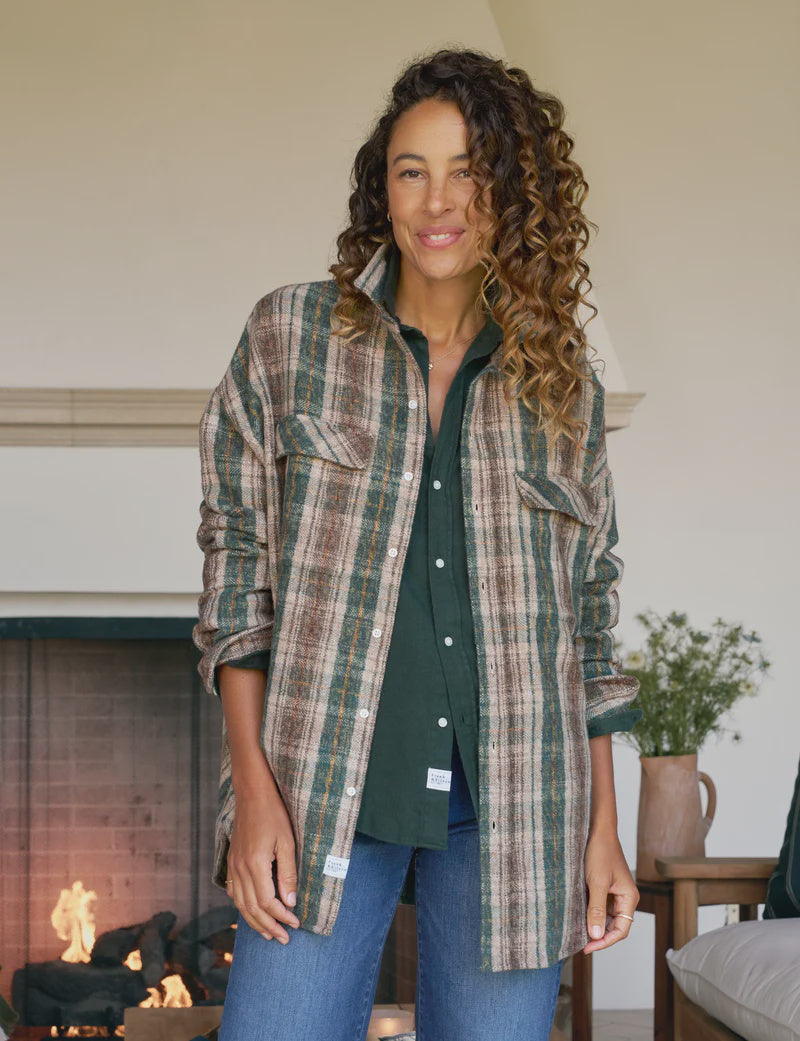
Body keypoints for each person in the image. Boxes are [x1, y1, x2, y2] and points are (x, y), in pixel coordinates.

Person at [192, 47, 642, 1041]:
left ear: (511, 195)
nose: (437, 201)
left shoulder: (559, 385)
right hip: (320, 792)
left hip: (515, 809)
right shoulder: (292, 338)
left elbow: (587, 621)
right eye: (410, 170)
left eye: (467, 170)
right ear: (380, 189)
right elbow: (236, 581)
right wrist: (251, 798)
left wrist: (604, 833)